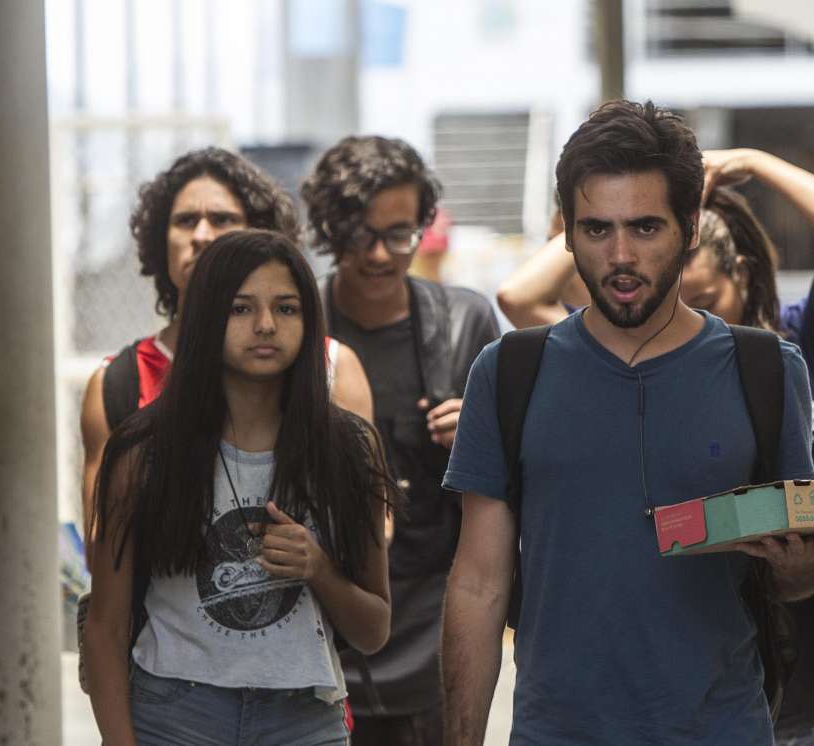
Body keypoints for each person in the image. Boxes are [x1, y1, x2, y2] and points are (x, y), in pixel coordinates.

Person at [442, 99, 814, 745]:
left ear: (690, 227)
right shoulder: (508, 373)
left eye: (645, 228)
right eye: (595, 230)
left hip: (722, 726)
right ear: (569, 233)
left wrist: (802, 564)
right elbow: (477, 585)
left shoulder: (765, 369)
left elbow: (796, 580)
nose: (619, 255)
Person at [83, 229, 393, 745]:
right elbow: (105, 628)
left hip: (303, 717)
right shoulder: (143, 451)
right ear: (206, 318)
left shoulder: (349, 449)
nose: (266, 325)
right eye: (241, 308)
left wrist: (318, 568)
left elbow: (374, 630)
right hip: (175, 713)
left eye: (287, 308)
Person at [302, 135, 500, 745]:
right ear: (330, 231)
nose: (383, 254)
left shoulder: (466, 321)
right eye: (363, 236)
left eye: (402, 233)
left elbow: (515, 477)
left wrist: (481, 432)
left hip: (431, 624)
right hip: (320, 620)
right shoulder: (295, 325)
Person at [80, 147, 372, 540]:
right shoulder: (117, 382)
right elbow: (104, 548)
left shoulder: (332, 365)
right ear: (159, 240)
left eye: (222, 219)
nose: (201, 236)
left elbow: (370, 529)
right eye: (185, 221)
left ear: (262, 234)